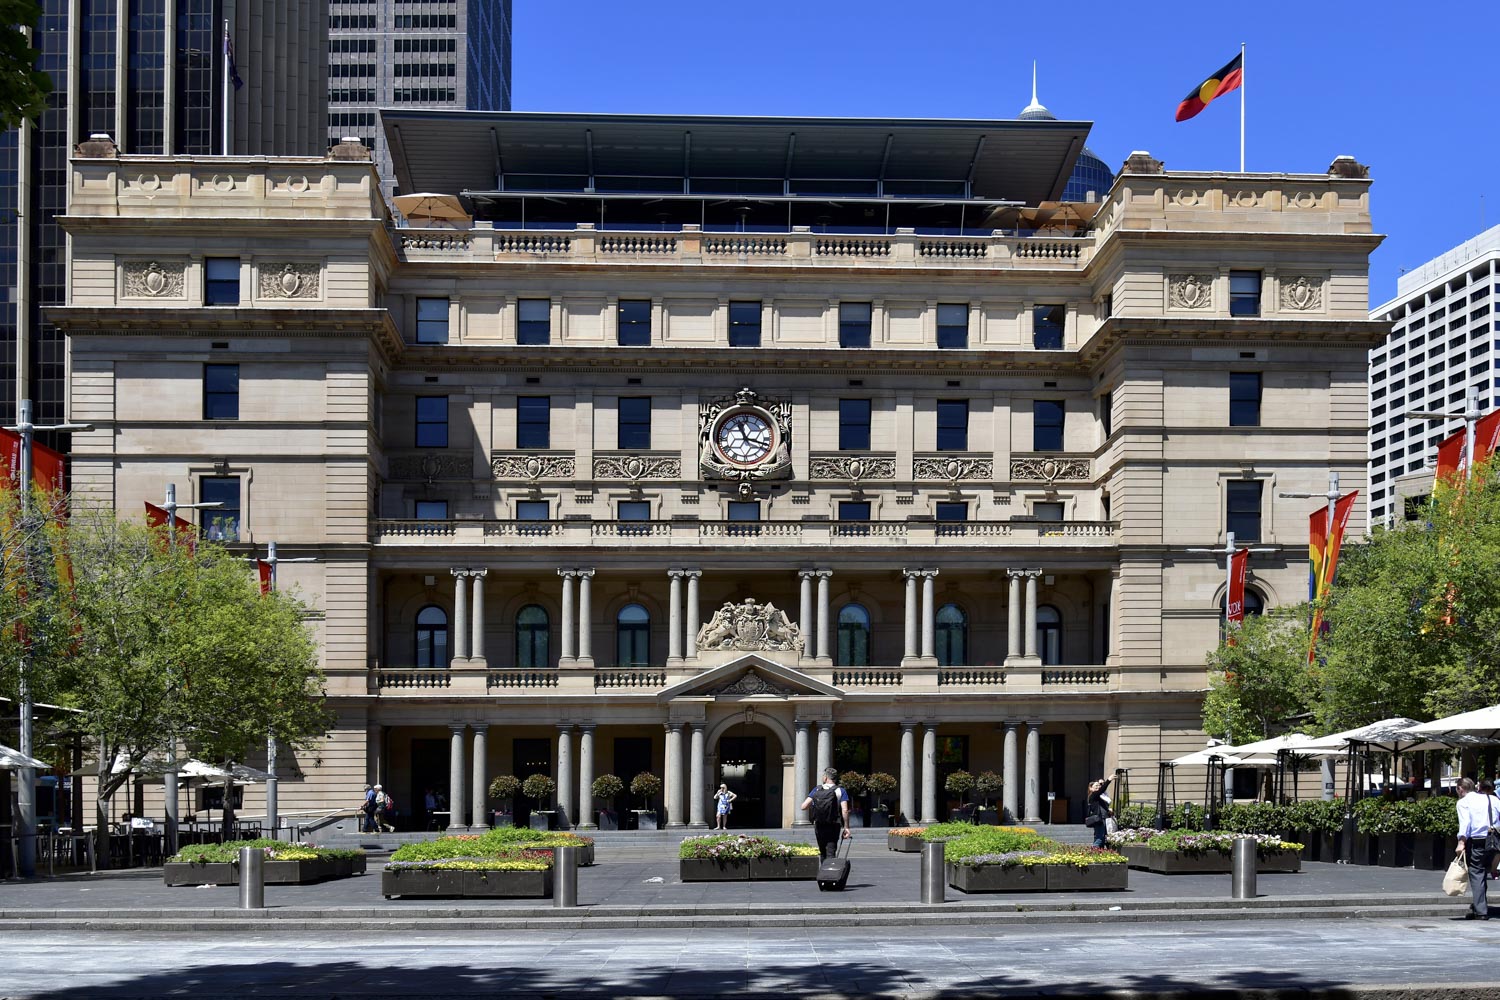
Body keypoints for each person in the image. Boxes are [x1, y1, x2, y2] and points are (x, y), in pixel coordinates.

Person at [1456, 776, 1498, 919]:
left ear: (1460, 789)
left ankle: (1481, 911)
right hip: (1494, 840)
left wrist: (1461, 842)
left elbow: (1465, 823)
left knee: (1476, 872)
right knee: (1483, 873)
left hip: (1477, 841)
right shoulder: (1493, 799)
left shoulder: (1464, 802)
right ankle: (1479, 905)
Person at [800, 767, 851, 860]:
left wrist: (816, 804)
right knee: (831, 852)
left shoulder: (817, 789)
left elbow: (803, 807)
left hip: (819, 824)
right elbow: (845, 810)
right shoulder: (840, 791)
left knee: (822, 852)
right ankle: (830, 872)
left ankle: (823, 872)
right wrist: (846, 827)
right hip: (834, 824)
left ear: (825, 778)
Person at [1084, 778, 1113, 848]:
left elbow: (1102, 802)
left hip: (1102, 818)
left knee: (1102, 838)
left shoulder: (1097, 797)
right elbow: (1102, 790)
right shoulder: (1094, 795)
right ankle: (1094, 852)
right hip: (1099, 819)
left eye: (1098, 786)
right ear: (1090, 788)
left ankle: (1100, 853)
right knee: (1100, 838)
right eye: (1096, 786)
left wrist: (1108, 810)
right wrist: (1109, 780)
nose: (1098, 787)